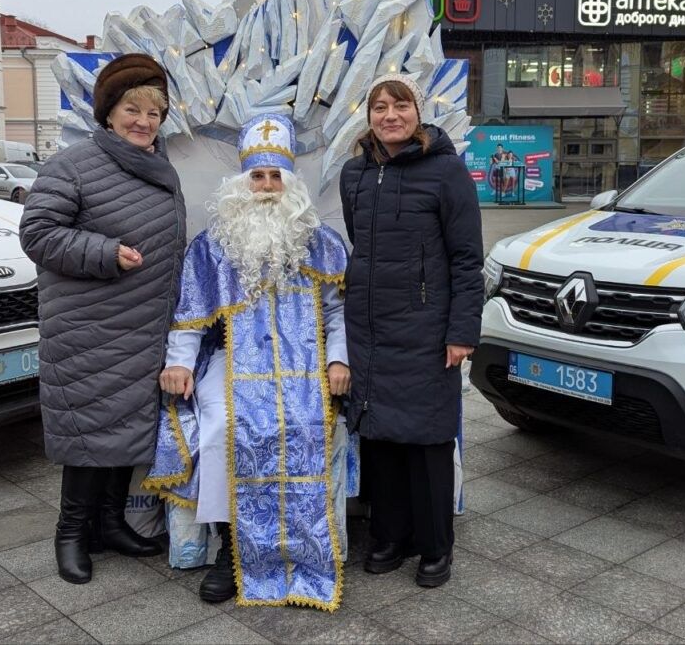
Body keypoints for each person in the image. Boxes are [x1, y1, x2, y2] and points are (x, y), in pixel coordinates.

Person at [144, 114, 350, 611]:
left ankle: (300, 548)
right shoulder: (213, 246)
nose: (266, 186)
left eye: (275, 176)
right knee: (220, 430)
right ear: (242, 183)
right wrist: (180, 366)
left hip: (306, 369)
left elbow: (339, 312)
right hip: (231, 364)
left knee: (302, 427)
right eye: (257, 177)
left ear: (291, 183)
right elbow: (190, 318)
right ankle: (230, 548)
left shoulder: (320, 242)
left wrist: (339, 361)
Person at [19, 54, 187, 584]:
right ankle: (71, 534)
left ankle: (111, 524)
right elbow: (38, 233)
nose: (143, 121)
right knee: (89, 429)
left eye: (154, 113)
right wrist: (105, 251)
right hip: (90, 327)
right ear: (109, 114)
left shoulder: (160, 166)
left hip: (141, 325)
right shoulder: (74, 165)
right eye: (131, 110)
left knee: (124, 426)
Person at [339, 74, 484, 588]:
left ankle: (434, 546)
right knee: (380, 440)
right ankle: (389, 537)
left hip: (426, 330)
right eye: (380, 107)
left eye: (400, 106)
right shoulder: (354, 174)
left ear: (417, 113)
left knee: (426, 441)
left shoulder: (447, 173)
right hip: (370, 330)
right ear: (369, 116)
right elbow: (361, 245)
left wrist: (461, 331)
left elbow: (468, 259)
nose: (390, 116)